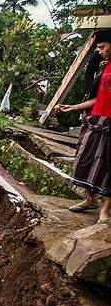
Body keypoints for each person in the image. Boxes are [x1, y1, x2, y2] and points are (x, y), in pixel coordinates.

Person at [56, 29, 111, 224]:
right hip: (95, 120)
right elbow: (97, 98)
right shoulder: (104, 69)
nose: (100, 51)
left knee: (107, 165)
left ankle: (105, 210)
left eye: (103, 47)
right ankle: (90, 198)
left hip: (109, 125)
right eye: (98, 47)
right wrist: (72, 107)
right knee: (84, 158)